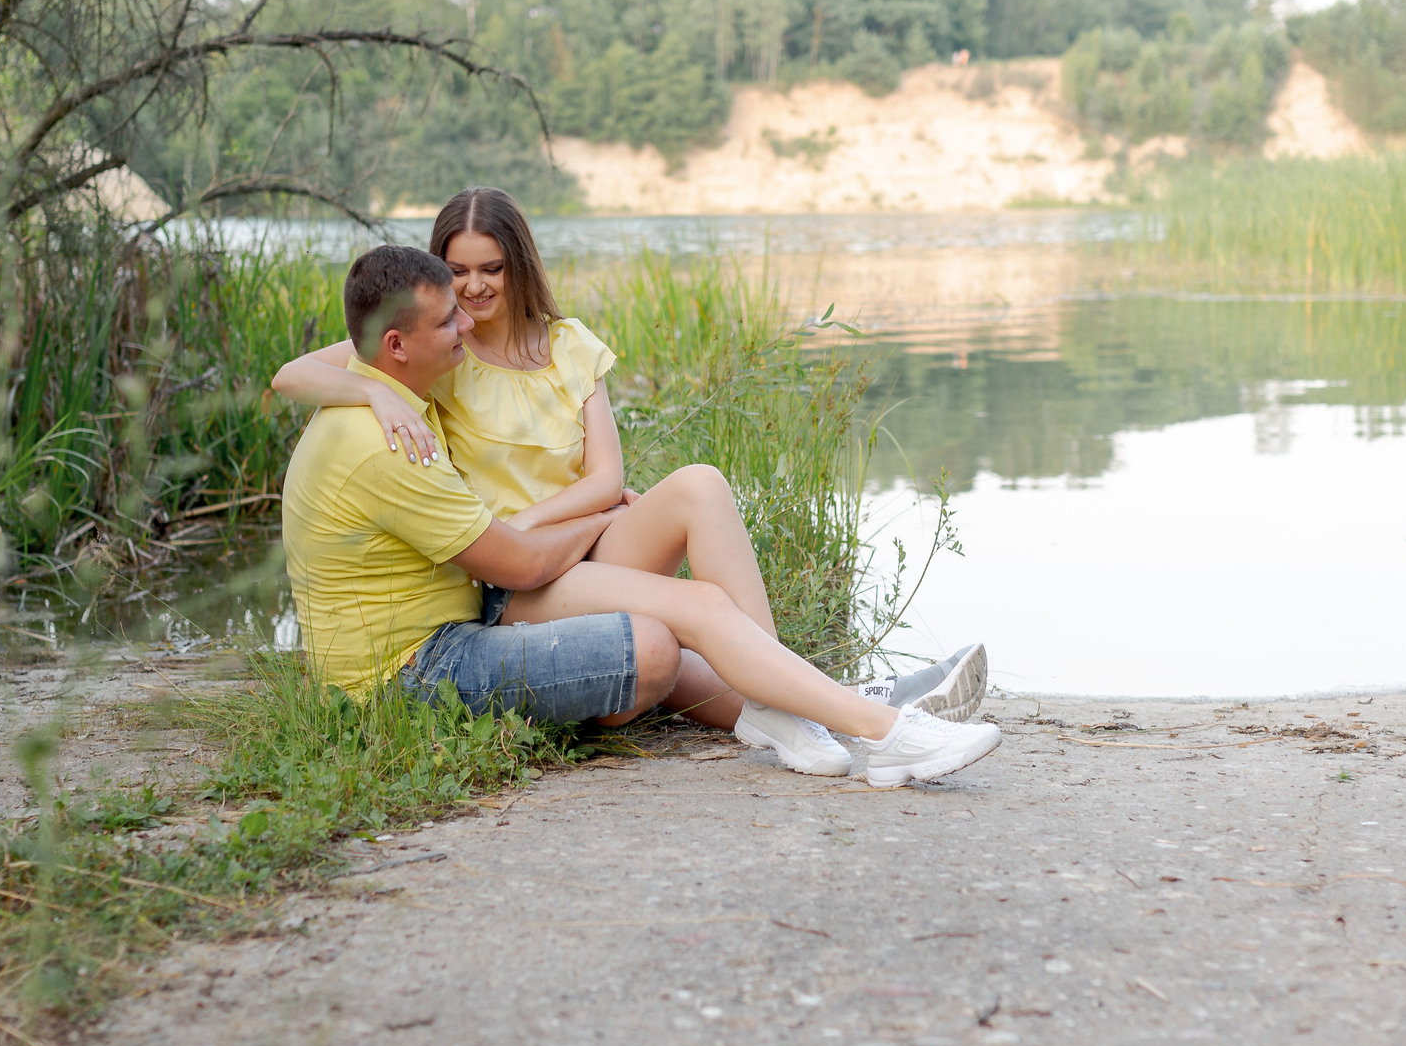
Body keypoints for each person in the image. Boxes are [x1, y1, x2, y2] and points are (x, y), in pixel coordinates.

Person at [271, 185, 987, 770]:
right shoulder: (438, 357)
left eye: (490, 267)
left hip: (572, 538)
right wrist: (373, 391)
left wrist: (600, 516)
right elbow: (304, 371)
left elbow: (608, 473)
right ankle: (863, 716)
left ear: (519, 264)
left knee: (700, 483)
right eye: (457, 273)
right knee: (686, 620)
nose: (473, 289)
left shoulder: (558, 345)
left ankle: (799, 704)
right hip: (509, 565)